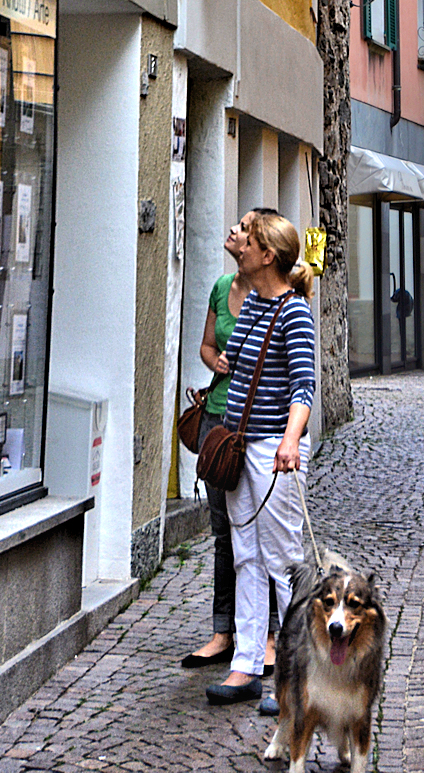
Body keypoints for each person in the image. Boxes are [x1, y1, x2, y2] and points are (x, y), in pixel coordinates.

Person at [205, 211, 317, 708]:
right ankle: (246, 664)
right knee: (245, 555)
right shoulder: (250, 304)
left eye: (247, 238)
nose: (239, 241)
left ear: (267, 255)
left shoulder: (295, 314)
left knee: (282, 562)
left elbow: (304, 388)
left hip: (276, 450)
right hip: (241, 445)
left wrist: (291, 441)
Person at [180, 211, 280, 671]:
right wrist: (214, 362)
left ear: (260, 249)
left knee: (269, 534)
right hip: (219, 420)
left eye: (243, 229)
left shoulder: (277, 300)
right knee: (226, 533)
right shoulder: (223, 289)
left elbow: (298, 376)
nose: (232, 232)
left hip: (259, 425)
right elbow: (205, 345)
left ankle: (271, 638)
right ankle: (225, 631)